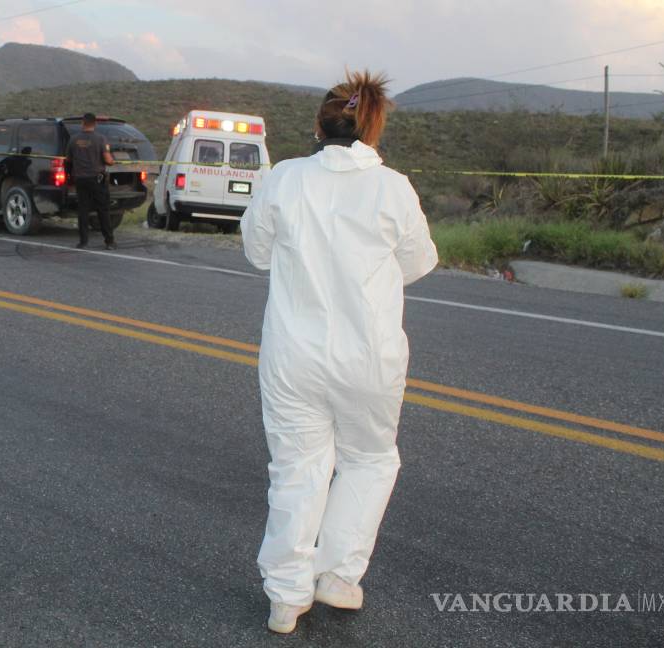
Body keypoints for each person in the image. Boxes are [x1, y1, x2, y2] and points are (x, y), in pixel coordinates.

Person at [240, 70, 438, 635]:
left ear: (320, 124)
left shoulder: (284, 178)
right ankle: (339, 577)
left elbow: (257, 253)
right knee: (370, 459)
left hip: (293, 354)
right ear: (373, 126)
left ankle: (285, 595)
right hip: (369, 356)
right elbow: (418, 263)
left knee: (298, 468)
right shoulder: (394, 187)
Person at [67, 113, 116, 250]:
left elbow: (69, 160)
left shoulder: (73, 139)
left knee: (83, 210)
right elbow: (107, 160)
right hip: (97, 179)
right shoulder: (101, 139)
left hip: (81, 179)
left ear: (83, 123)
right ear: (95, 124)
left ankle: (83, 242)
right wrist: (112, 161)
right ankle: (109, 241)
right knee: (103, 210)